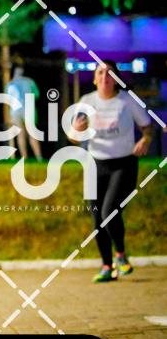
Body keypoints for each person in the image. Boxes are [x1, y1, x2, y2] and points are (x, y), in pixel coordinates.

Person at [69, 60, 153, 283]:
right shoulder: (86, 102)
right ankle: (107, 266)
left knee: (109, 212)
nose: (105, 77)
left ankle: (121, 255)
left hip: (123, 164)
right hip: (96, 165)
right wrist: (77, 130)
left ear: (116, 79)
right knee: (97, 217)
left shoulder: (127, 101)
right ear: (94, 79)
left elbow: (147, 127)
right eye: (100, 73)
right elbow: (73, 136)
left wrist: (145, 140)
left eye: (110, 73)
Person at [6, 66, 43, 160]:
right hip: (28, 108)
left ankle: (24, 157)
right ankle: (39, 157)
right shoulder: (29, 81)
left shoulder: (10, 83)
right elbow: (37, 95)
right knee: (32, 133)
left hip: (15, 110)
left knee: (21, 134)